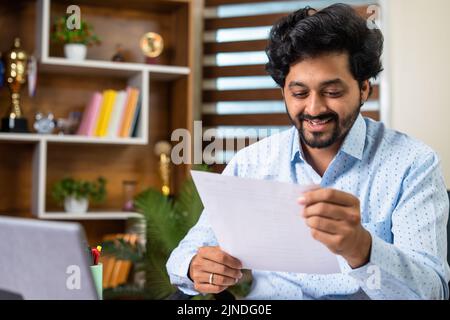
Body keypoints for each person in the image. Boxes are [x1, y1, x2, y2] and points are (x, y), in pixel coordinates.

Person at [166, 3, 450, 299]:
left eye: (332, 92)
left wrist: (362, 249)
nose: (313, 108)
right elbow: (185, 255)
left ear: (364, 88)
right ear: (284, 91)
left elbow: (433, 291)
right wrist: (194, 267)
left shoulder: (412, 163)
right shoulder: (253, 163)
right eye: (299, 93)